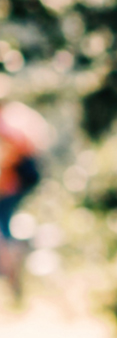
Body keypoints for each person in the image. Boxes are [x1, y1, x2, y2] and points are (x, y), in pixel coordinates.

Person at [0, 101, 48, 311]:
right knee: (5, 229)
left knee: (3, 231)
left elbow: (10, 156)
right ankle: (13, 275)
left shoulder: (7, 125)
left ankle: (12, 273)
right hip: (18, 181)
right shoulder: (15, 115)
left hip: (13, 183)